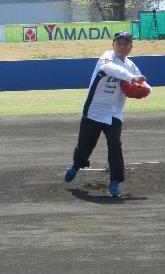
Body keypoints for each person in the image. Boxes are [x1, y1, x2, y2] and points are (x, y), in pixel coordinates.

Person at [64, 31, 149, 197]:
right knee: (85, 146)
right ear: (113, 45)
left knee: (115, 144)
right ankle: (76, 165)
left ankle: (114, 182)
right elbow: (111, 69)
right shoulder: (106, 57)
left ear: (131, 47)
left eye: (126, 44)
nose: (122, 46)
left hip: (114, 113)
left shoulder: (131, 65)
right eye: (119, 43)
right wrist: (132, 78)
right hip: (94, 110)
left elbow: (145, 85)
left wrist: (145, 90)